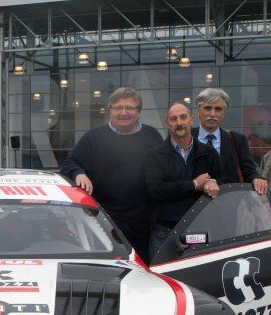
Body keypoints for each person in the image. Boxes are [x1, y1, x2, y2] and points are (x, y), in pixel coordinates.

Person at [59, 87, 163, 261]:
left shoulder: (152, 135)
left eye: (129, 108)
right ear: (110, 111)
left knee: (145, 271)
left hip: (145, 223)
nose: (123, 112)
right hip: (106, 221)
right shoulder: (94, 138)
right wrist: (79, 173)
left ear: (138, 112)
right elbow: (69, 163)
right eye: (118, 108)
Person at [144, 102, 222, 259]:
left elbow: (223, 181)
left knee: (198, 279)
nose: (179, 123)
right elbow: (155, 190)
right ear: (167, 123)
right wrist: (194, 184)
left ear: (191, 119)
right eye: (173, 119)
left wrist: (213, 182)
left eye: (183, 117)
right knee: (162, 279)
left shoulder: (209, 153)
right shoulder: (154, 155)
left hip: (200, 230)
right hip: (165, 232)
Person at [193, 88, 267, 195]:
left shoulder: (237, 140)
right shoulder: (186, 138)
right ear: (199, 111)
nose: (212, 114)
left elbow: (249, 171)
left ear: (224, 113)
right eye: (208, 108)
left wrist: (257, 179)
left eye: (218, 109)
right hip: (194, 206)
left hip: (228, 203)